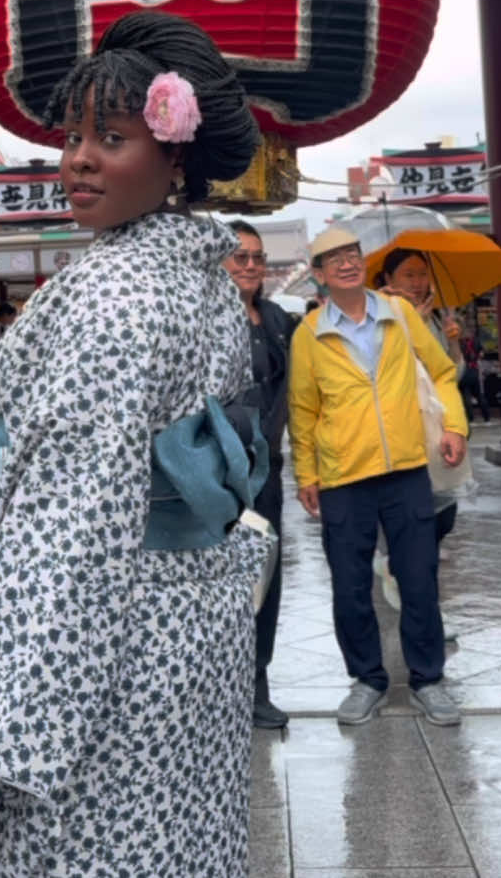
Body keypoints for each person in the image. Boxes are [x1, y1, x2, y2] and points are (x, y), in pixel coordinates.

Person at [0, 11, 275, 877]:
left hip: (110, 662)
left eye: (111, 137)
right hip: (194, 641)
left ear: (175, 153)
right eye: (73, 135)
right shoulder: (206, 279)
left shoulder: (113, 295)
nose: (76, 158)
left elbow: (68, 537)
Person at [288, 225, 468, 727]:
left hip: (407, 471)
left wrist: (454, 425)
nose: (346, 262)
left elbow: (443, 373)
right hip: (343, 479)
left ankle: (428, 679)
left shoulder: (400, 314)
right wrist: (307, 472)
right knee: (349, 587)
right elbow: (303, 409)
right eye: (333, 258)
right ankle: (367, 679)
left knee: (418, 579)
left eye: (353, 253)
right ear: (319, 276)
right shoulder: (309, 334)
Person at [375, 247, 473, 640]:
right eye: (409, 275)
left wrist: (451, 343)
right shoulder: (381, 312)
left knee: (442, 519)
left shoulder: (431, 316)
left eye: (422, 274)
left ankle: (400, 575)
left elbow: (450, 374)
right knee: (418, 532)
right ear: (390, 278)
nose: (418, 283)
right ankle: (425, 613)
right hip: (403, 435)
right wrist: (409, 323)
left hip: (439, 433)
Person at [224, 219, 295, 729]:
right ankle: (212, 689)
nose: (250, 266)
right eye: (240, 256)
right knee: (213, 581)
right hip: (211, 475)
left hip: (265, 471)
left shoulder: (278, 320)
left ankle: (257, 682)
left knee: (264, 577)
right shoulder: (199, 317)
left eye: (257, 258)